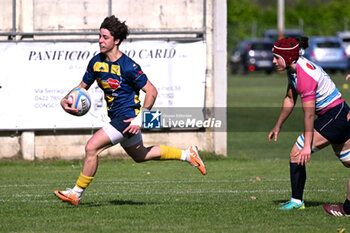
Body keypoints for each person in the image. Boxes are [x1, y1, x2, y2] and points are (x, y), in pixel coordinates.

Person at [54, 15, 206, 205]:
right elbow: (80, 88)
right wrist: (65, 100)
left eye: (105, 37)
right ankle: (187, 154)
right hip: (118, 117)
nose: (100, 41)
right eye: (100, 36)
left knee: (91, 147)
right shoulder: (96, 62)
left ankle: (76, 193)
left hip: (127, 118)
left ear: (116, 40)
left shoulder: (129, 66)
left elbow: (152, 91)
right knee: (140, 155)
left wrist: (140, 118)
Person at [268, 36, 350, 216]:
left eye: (276, 57)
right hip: (339, 114)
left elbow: (309, 113)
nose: (273, 61)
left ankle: (297, 202)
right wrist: (278, 125)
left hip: (334, 116)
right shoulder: (293, 69)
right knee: (348, 161)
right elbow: (290, 98)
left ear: (288, 58)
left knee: (296, 154)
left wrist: (307, 146)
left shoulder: (304, 74)